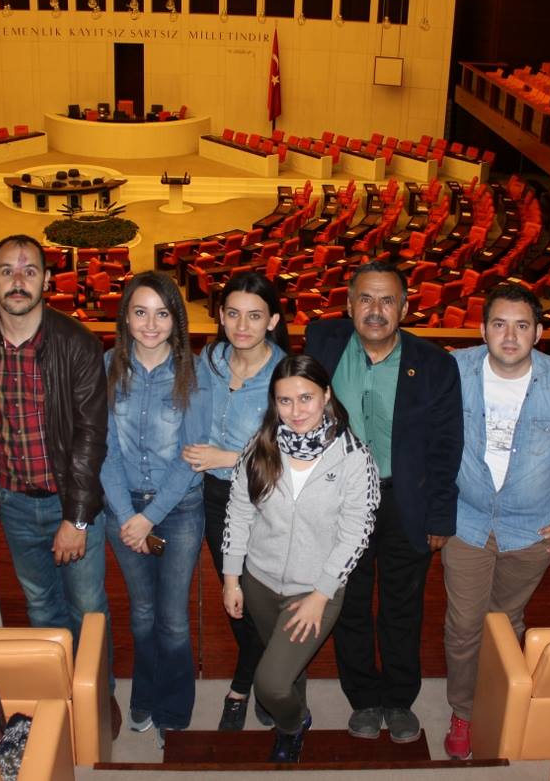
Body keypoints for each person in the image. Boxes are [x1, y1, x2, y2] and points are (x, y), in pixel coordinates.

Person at [442, 283, 550, 759]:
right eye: (499, 324)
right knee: (464, 626)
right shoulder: (454, 370)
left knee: (507, 624)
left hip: (531, 531)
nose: (510, 336)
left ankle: (500, 700)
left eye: (522, 326)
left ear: (538, 333)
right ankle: (463, 711)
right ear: (482, 330)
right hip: (466, 521)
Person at [304, 260, 463, 744]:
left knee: (401, 607)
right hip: (342, 500)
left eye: (387, 300)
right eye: (366, 299)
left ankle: (399, 700)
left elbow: (447, 446)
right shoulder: (322, 344)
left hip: (405, 503)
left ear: (405, 308)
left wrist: (441, 515)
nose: (376, 310)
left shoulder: (435, 364)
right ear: (349, 304)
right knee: (349, 604)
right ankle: (363, 700)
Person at [221, 355, 381, 763]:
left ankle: (293, 723)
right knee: (289, 666)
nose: (296, 411)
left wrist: (320, 596)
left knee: (270, 684)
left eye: (306, 398)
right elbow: (239, 512)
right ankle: (290, 710)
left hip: (315, 589)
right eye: (285, 401)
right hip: (259, 581)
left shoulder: (354, 457)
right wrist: (232, 578)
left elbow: (356, 534)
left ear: (326, 395)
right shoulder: (259, 448)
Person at [0, 235, 109, 649]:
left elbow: (91, 436)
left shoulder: (78, 342)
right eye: (7, 271)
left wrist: (76, 518)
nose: (18, 281)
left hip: (69, 499)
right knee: (40, 607)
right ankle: (55, 684)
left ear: (46, 279)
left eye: (29, 271)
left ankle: (94, 687)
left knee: (88, 608)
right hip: (14, 503)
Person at [183, 271, 288, 730]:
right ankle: (261, 677)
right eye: (233, 314)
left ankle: (244, 686)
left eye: (254, 316)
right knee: (237, 595)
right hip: (213, 495)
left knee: (261, 598)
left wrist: (227, 457)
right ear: (221, 317)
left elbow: (295, 448)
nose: (242, 326)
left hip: (263, 497)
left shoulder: (285, 373)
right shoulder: (207, 360)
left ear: (273, 320)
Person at [101, 272, 202, 746]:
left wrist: (148, 517)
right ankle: (145, 693)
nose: (150, 324)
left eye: (162, 314)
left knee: (173, 618)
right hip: (122, 509)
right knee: (141, 613)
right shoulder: (108, 366)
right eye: (140, 312)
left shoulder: (193, 373)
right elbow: (104, 451)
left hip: (178, 511)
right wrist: (127, 516)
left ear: (176, 320)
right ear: (125, 317)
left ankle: (174, 706)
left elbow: (191, 456)